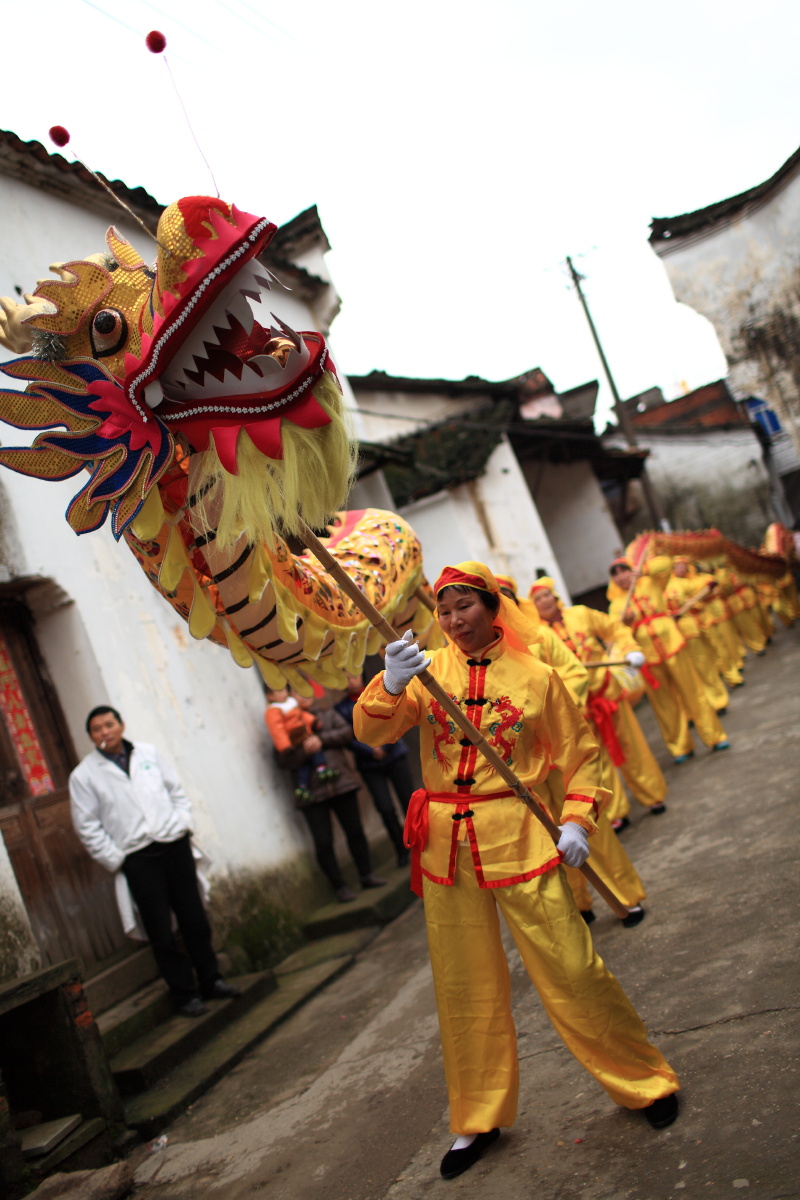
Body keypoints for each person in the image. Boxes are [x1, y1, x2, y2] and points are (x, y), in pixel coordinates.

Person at [354, 562, 679, 1180]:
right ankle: (477, 1117)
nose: (454, 620)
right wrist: (390, 684)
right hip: (446, 848)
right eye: (445, 610)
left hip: (520, 837)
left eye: (465, 607)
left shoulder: (538, 677)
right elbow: (373, 731)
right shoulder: (427, 671)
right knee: (464, 988)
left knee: (574, 967)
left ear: (491, 607)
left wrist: (577, 820)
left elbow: (581, 758)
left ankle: (644, 1082)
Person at [69, 706, 239, 1018]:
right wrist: (117, 858)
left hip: (174, 845)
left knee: (194, 918)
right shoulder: (84, 776)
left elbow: (175, 792)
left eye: (109, 724)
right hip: (138, 857)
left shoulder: (147, 753)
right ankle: (184, 995)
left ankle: (211, 980)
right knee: (160, 930)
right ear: (91, 736)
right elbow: (87, 826)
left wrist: (183, 823)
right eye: (97, 729)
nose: (105, 732)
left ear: (121, 725)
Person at [530, 577, 668, 825]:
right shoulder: (537, 637)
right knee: (596, 762)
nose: (544, 601)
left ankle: (653, 795)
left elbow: (615, 628)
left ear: (555, 596)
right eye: (537, 599)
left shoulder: (581, 614)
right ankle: (614, 813)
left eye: (546, 595)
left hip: (608, 692)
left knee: (632, 746)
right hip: (578, 707)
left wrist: (630, 648)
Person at [607, 556, 730, 763]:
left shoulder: (651, 582)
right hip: (647, 657)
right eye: (615, 575)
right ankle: (680, 747)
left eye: (624, 571)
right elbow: (617, 632)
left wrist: (645, 569)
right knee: (664, 705)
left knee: (693, 692)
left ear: (631, 570)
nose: (621, 577)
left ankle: (715, 737)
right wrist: (627, 624)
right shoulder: (616, 605)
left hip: (672, 644)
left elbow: (666, 564)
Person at [277, 693, 386, 904]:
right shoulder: (284, 723)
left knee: (355, 831)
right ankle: (340, 887)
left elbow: (347, 733)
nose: (303, 696)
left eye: (305, 690)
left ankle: (367, 875)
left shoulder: (327, 715)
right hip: (311, 794)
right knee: (323, 842)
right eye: (297, 692)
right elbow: (283, 759)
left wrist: (322, 739)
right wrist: (304, 749)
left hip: (341, 782)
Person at [335, 674, 412, 868]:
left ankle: (421, 842)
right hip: (369, 764)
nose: (350, 680)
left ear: (361, 676)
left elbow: (396, 717)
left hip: (394, 755)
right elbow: (348, 737)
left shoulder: (381, 693)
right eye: (346, 678)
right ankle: (401, 849)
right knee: (385, 808)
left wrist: (384, 745)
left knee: (410, 802)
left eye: (353, 676)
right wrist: (371, 750)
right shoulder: (341, 709)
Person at [265, 685, 338, 803]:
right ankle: (303, 786)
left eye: (284, 690)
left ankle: (321, 769)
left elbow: (302, 716)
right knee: (301, 763)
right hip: (293, 740)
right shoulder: (273, 710)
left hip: (304, 734)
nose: (284, 693)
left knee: (314, 749)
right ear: (270, 696)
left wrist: (313, 721)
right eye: (279, 691)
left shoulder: (291, 703)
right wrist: (285, 747)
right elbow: (277, 730)